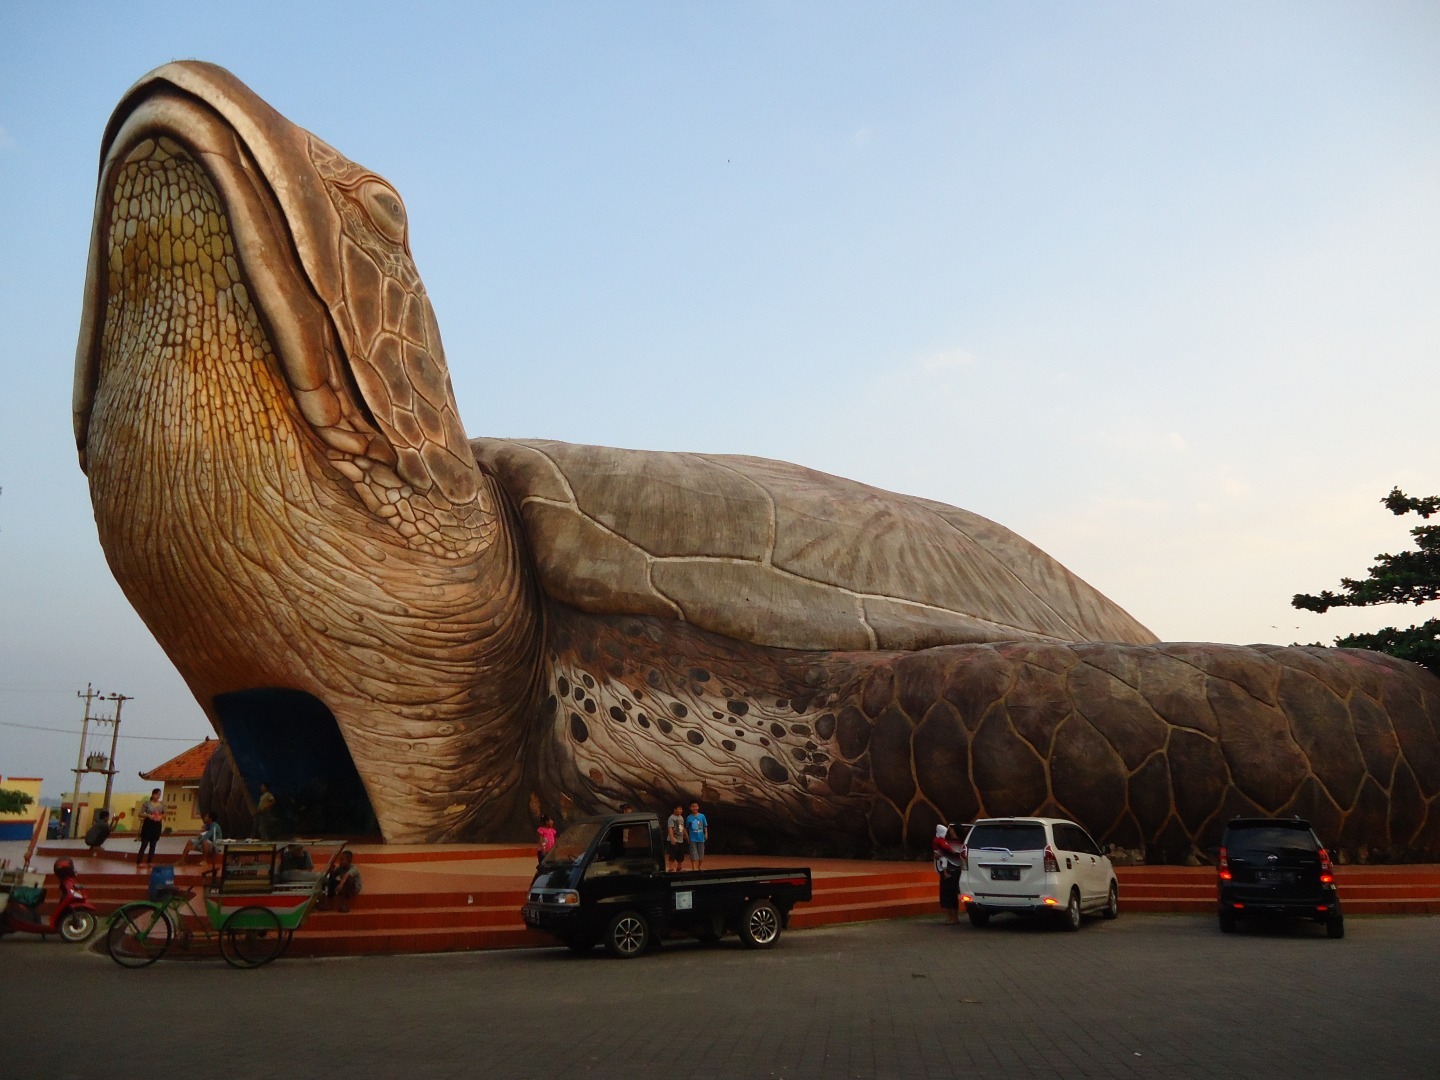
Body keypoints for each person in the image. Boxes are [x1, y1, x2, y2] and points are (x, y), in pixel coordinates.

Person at [934, 824, 963, 924]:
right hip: (949, 869)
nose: (949, 831)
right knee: (947, 894)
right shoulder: (946, 841)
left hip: (953, 870)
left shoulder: (958, 843)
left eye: (952, 830)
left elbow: (956, 854)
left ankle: (953, 917)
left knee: (949, 894)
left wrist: (942, 854)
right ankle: (951, 917)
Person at [137, 788, 164, 869]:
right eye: (156, 794)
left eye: (159, 794)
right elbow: (140, 814)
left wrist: (160, 817)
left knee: (153, 844)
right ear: (153, 795)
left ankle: (150, 861)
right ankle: (139, 861)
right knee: (144, 843)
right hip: (148, 824)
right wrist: (148, 815)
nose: (158, 796)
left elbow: (165, 814)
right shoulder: (147, 804)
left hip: (157, 824)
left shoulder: (162, 805)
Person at [684, 800, 709, 870]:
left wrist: (706, 833)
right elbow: (687, 828)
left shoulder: (702, 816)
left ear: (698, 807)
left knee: (701, 852)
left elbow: (705, 826)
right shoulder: (689, 817)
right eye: (693, 807)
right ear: (690, 808)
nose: (694, 808)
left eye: (696, 806)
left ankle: (699, 866)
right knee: (693, 853)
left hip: (701, 837)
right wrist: (687, 837)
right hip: (693, 838)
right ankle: (694, 867)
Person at [665, 804, 687, 872]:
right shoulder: (671, 818)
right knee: (673, 853)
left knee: (681, 853)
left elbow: (681, 827)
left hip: (680, 839)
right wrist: (672, 838)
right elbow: (670, 828)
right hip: (674, 839)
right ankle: (670, 867)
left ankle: (679, 867)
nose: (680, 810)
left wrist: (685, 834)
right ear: (674, 809)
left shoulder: (681, 817)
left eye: (681, 809)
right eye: (679, 809)